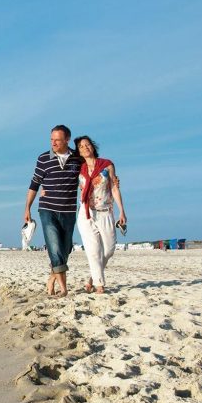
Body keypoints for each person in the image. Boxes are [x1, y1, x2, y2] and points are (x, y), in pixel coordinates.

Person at [24, 125, 82, 296]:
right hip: (47, 209)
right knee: (54, 248)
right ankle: (63, 288)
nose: (53, 143)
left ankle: (51, 279)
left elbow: (92, 172)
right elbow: (34, 184)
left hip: (69, 211)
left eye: (57, 140)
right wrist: (27, 207)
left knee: (65, 249)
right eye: (51, 139)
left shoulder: (78, 159)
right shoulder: (43, 158)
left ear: (67, 140)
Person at [73, 135, 127, 293]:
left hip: (105, 212)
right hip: (86, 213)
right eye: (81, 147)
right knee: (93, 250)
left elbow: (114, 188)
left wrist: (122, 210)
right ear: (79, 152)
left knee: (109, 249)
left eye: (87, 145)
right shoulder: (78, 169)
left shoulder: (107, 165)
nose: (85, 148)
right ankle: (99, 287)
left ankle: (93, 277)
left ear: (93, 146)